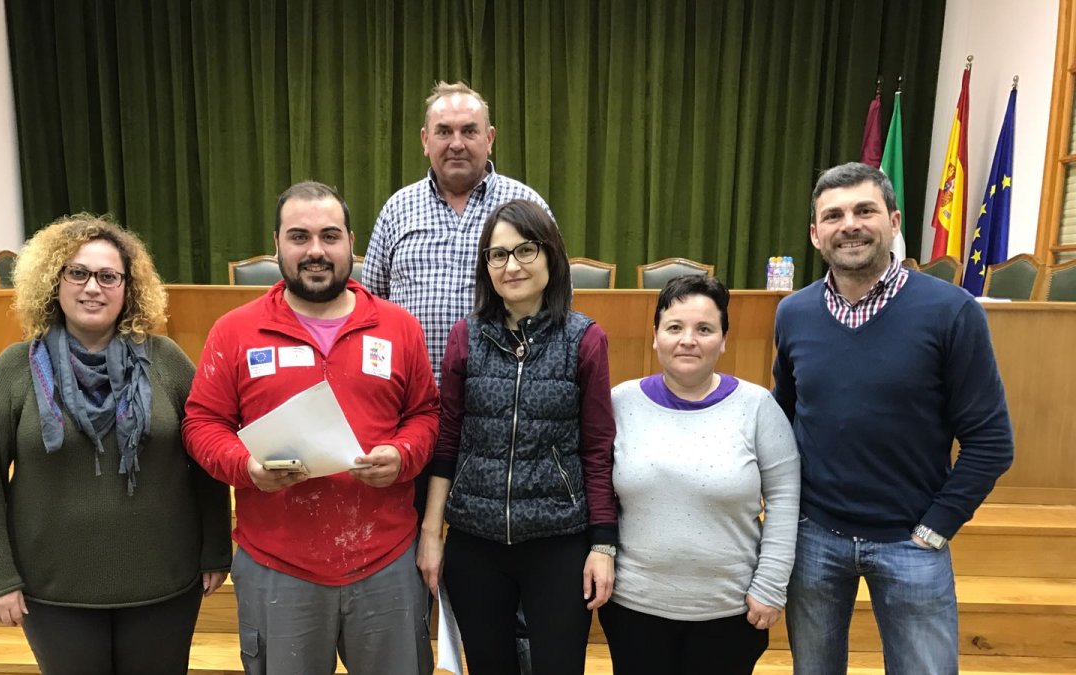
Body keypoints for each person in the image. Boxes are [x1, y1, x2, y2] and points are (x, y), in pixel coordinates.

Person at [181, 181, 441, 675]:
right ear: (277, 244)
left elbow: (425, 414)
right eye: (299, 236)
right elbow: (202, 423)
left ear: (351, 243)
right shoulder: (235, 331)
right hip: (278, 567)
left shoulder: (398, 327)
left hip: (385, 561)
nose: (316, 250)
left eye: (330, 236)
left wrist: (403, 454)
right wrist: (246, 467)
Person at [0, 214, 233, 675]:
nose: (92, 288)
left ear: (128, 288)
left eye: (108, 276)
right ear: (54, 282)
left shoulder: (166, 361)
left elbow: (206, 456)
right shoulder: (14, 369)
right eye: (78, 273)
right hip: (54, 589)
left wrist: (216, 549)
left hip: (164, 581)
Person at [773, 162, 1014, 675]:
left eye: (865, 210)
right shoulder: (793, 313)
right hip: (814, 538)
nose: (850, 225)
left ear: (894, 221)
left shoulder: (952, 311)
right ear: (815, 233)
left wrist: (937, 526)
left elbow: (992, 441)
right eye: (833, 215)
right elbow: (782, 418)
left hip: (912, 542)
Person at [416, 199, 616, 675]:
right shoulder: (466, 336)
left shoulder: (585, 339)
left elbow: (597, 450)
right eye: (498, 254)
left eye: (526, 250)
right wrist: (430, 534)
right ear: (486, 266)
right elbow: (448, 442)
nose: (512, 266)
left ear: (551, 255)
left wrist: (603, 545)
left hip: (558, 543)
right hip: (475, 541)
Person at [600, 275, 800, 674]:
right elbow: (597, 490)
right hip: (634, 608)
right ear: (655, 336)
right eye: (674, 327)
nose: (688, 340)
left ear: (724, 340)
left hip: (729, 611)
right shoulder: (620, 402)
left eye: (704, 329)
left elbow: (784, 498)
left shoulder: (757, 406)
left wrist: (771, 585)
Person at [363, 80, 551, 382]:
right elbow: (372, 309)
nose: (456, 143)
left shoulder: (527, 205)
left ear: (489, 138)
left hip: (504, 394)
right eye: (444, 131)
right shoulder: (396, 210)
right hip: (413, 395)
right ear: (425, 140)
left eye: (469, 131)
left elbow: (558, 299)